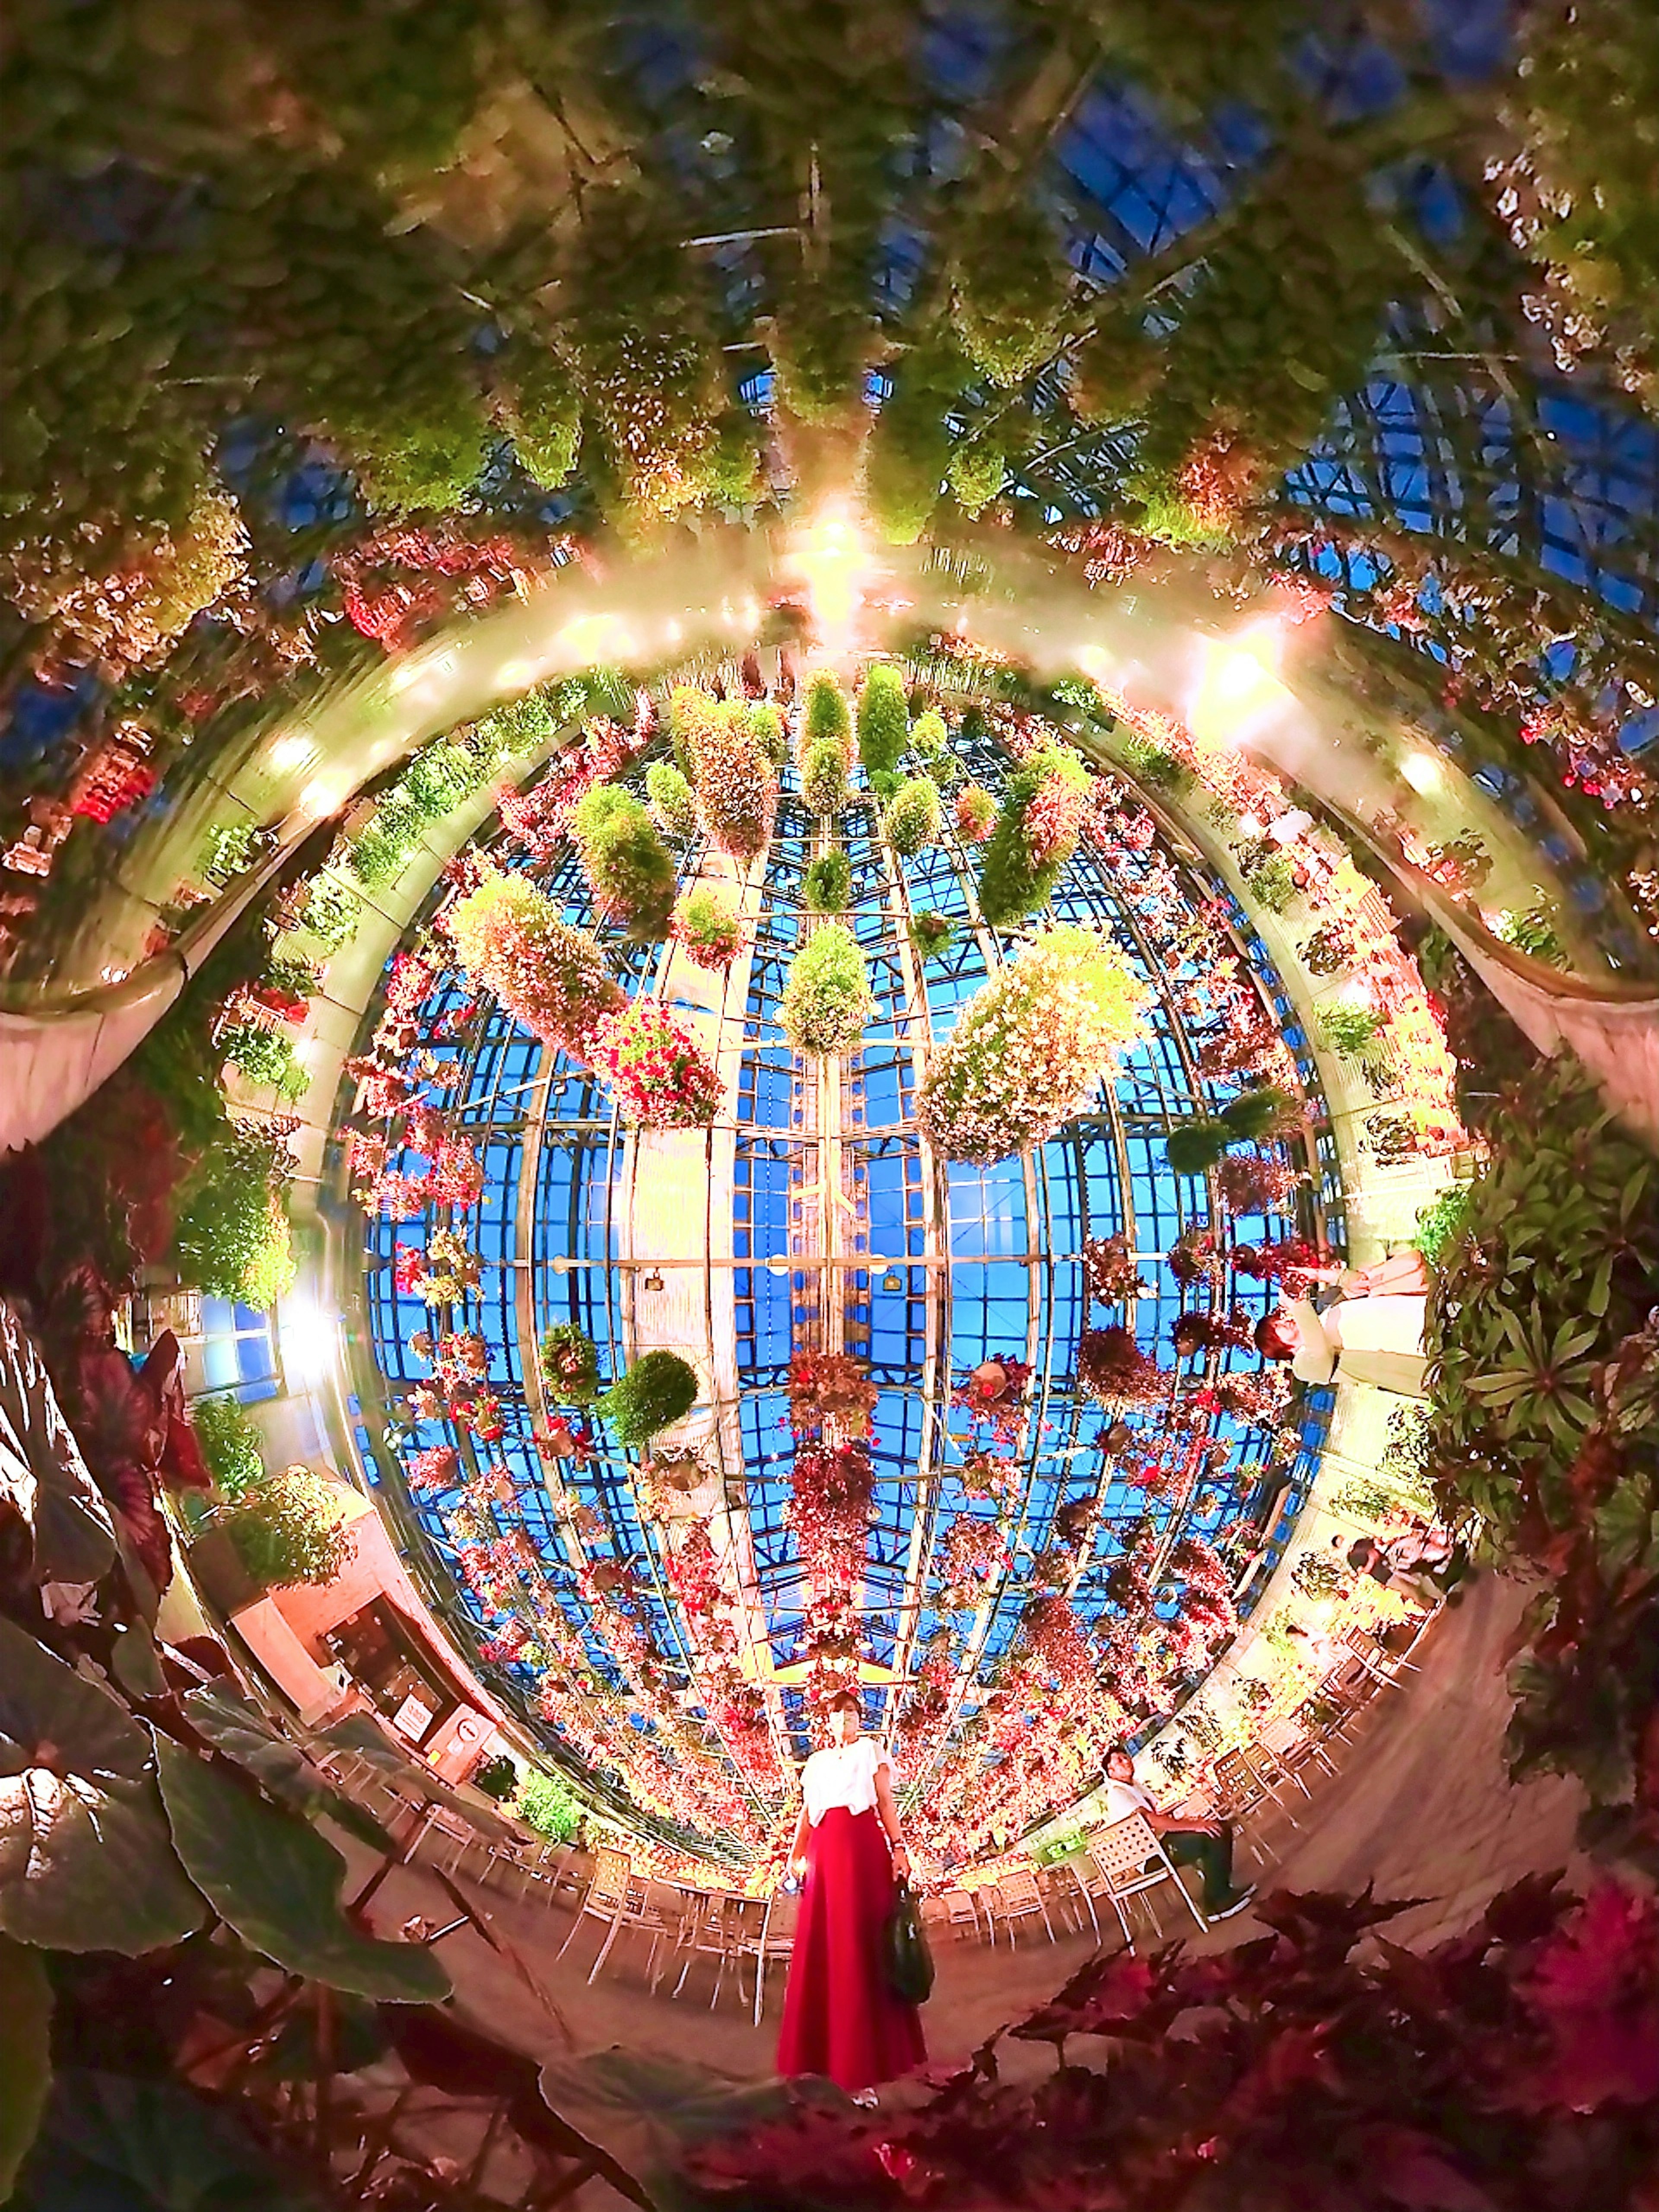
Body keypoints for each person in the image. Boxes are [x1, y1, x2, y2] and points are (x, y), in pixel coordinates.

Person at [776, 1688, 927, 2106]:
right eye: (838, 1714)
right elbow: (808, 1812)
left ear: (861, 1719)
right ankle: (820, 2062)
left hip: (862, 1853)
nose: (845, 1720)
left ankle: (862, 2073)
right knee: (825, 1952)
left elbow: (885, 1801)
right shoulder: (816, 1763)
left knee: (862, 1951)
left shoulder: (870, 1750)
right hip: (825, 1857)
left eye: (852, 1713)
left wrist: (899, 1847)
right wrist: (796, 1853)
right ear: (825, 1721)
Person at [1099, 1746, 1256, 1921]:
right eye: (1119, 1761)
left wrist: (1191, 1821)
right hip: (1150, 1855)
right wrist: (1193, 1825)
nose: (1126, 1761)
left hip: (1161, 1841)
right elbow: (1150, 1820)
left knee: (1219, 1827)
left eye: (1125, 1757)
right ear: (1111, 1772)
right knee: (1211, 1836)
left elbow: (1159, 1816)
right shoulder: (1118, 1794)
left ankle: (1219, 1893)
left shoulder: (1135, 1786)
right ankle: (1216, 1903)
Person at [1254, 1250, 1433, 1398]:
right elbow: (1320, 1352)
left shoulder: (1327, 1313)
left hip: (1425, 1312)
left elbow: (1360, 1283)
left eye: (1279, 1318)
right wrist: (1297, 1306)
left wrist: (1316, 1275)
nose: (1284, 1321)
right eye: (1276, 1327)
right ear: (1276, 1345)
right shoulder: (1302, 1366)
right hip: (1420, 1351)